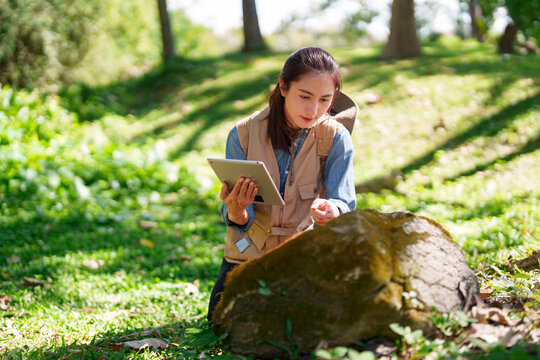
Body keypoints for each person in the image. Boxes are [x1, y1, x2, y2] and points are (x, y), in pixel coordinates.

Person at [207, 47, 357, 322]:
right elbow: (238, 217)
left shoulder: (336, 137)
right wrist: (237, 212)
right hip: (246, 257)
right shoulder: (243, 134)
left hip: (304, 257)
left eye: (325, 99)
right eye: (305, 96)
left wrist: (332, 211)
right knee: (223, 325)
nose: (314, 110)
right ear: (283, 87)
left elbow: (343, 201)